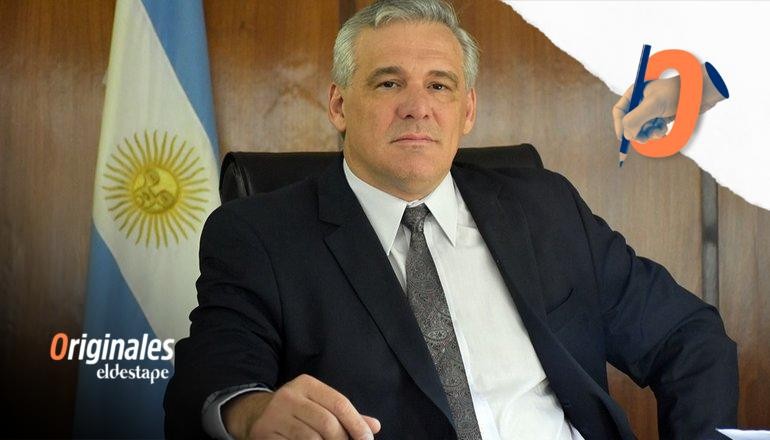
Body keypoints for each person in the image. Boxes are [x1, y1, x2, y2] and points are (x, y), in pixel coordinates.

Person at [164, 1, 737, 439]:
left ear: (467, 109)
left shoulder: (547, 208)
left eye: (439, 85)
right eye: (389, 83)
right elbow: (210, 378)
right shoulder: (262, 235)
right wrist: (250, 411)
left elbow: (688, 336)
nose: (418, 107)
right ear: (339, 105)